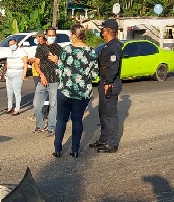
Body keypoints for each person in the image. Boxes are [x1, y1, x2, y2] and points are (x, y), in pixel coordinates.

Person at [52, 24, 98, 158]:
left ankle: (58, 150)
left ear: (73, 35)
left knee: (61, 120)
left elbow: (59, 70)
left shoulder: (66, 50)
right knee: (77, 120)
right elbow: (95, 74)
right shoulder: (92, 51)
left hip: (65, 91)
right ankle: (75, 150)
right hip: (83, 93)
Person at [90, 19, 123, 153]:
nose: (101, 31)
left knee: (110, 114)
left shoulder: (114, 46)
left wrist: (108, 82)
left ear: (107, 31)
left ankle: (112, 143)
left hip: (110, 83)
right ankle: (104, 139)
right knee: (103, 113)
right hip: (104, 82)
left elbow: (113, 67)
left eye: (103, 29)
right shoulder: (107, 45)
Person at [33, 28, 62, 136]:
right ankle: (40, 124)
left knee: (53, 105)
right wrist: (41, 75)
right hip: (42, 80)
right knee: (36, 104)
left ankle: (51, 127)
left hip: (54, 80)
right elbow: (36, 64)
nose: (52, 37)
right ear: (45, 35)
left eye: (53, 35)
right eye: (50, 35)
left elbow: (64, 63)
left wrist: (57, 60)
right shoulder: (41, 47)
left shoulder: (58, 48)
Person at [4, 38, 28, 116]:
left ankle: (17, 109)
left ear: (16, 43)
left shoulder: (21, 51)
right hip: (9, 73)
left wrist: (24, 73)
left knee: (17, 92)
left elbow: (25, 63)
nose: (12, 46)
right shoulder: (9, 52)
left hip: (18, 73)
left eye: (13, 44)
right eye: (10, 44)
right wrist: (4, 71)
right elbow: (7, 62)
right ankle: (9, 107)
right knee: (9, 92)